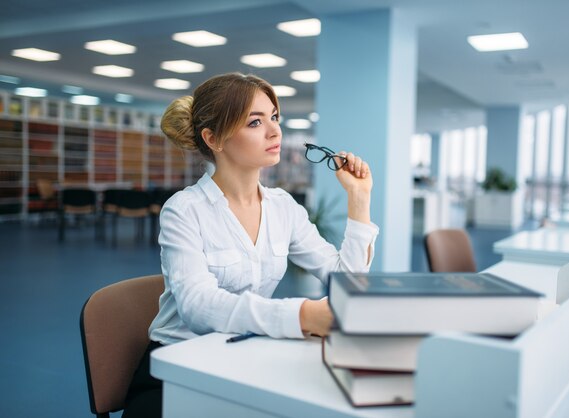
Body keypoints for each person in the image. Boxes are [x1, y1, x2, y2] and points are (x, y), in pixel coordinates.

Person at [122, 72, 378, 418]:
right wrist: (301, 315)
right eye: (255, 122)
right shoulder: (184, 210)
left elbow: (346, 281)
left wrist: (359, 201)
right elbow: (198, 307)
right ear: (213, 138)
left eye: (274, 117)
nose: (275, 132)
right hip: (175, 370)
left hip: (240, 356)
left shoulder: (283, 207)